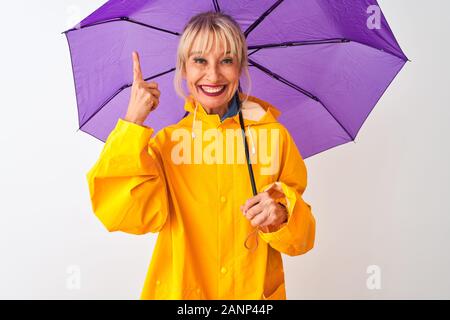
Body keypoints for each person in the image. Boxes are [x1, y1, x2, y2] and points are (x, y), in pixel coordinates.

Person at [86, 11, 315, 300]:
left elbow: (303, 239)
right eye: (199, 60)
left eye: (227, 60)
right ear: (183, 69)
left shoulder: (274, 138)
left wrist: (282, 214)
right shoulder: (167, 144)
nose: (213, 74)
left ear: (241, 67)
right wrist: (132, 122)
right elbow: (122, 214)